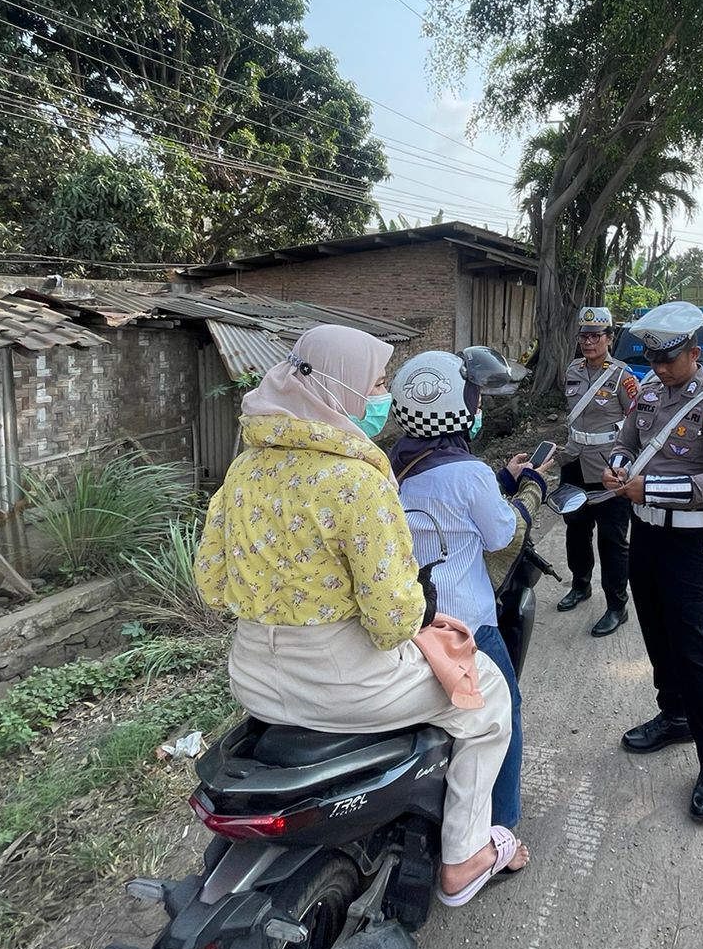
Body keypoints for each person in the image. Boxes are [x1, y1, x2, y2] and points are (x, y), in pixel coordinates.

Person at [193, 326, 527, 907]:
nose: (380, 399)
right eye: (373, 383)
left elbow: (211, 584)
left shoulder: (243, 471)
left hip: (253, 681)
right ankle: (465, 854)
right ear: (337, 389)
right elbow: (394, 620)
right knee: (490, 697)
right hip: (343, 685)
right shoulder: (356, 481)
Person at [389, 347, 549, 834]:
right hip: (468, 626)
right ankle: (500, 825)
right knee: (504, 712)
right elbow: (500, 534)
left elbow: (440, 496)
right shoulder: (470, 474)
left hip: (409, 622)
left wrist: (503, 477)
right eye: (476, 397)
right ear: (459, 406)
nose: (480, 407)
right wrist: (530, 489)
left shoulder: (386, 464)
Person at [600, 300, 703, 821]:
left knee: (693, 648)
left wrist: (648, 487)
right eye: (651, 360)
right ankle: (675, 714)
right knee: (656, 635)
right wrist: (618, 467)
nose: (658, 369)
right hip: (646, 537)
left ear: (692, 351)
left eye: (668, 360)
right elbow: (626, 440)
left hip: (691, 545)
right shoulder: (649, 395)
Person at [556, 305, 641, 635]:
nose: (588, 342)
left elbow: (636, 426)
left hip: (609, 468)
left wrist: (627, 465)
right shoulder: (572, 370)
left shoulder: (623, 377)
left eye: (596, 335)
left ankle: (617, 606)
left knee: (612, 539)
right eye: (584, 336)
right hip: (574, 461)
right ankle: (580, 585)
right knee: (575, 528)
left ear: (609, 337)